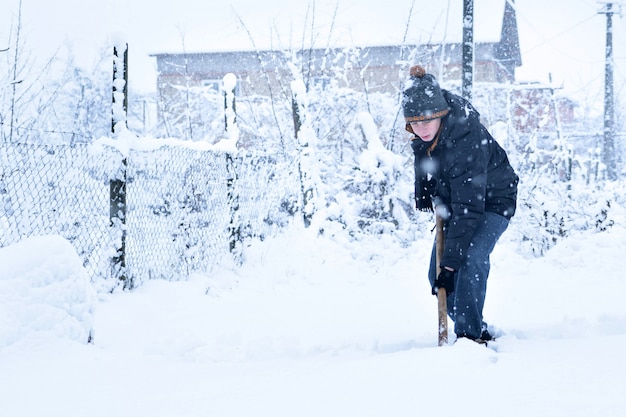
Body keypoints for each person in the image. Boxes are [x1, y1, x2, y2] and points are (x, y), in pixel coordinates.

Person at [402, 65, 519, 344]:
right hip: (458, 201)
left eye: (426, 121)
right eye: (415, 124)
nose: (421, 129)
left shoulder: (467, 138)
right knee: (437, 273)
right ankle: (473, 324)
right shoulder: (428, 136)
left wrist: (452, 266)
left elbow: (470, 209)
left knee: (470, 258)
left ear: (440, 114)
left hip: (493, 200)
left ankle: (469, 337)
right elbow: (430, 169)